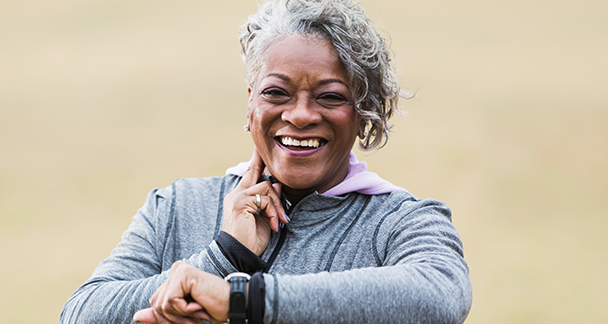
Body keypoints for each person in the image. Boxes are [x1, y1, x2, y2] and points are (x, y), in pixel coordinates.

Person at [60, 0, 472, 323]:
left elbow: (441, 293)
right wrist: (225, 256)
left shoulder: (400, 220)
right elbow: (81, 312)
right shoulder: (177, 206)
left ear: (363, 113)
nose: (300, 115)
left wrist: (245, 300)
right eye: (277, 92)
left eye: (330, 96)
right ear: (250, 102)